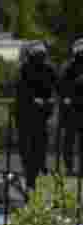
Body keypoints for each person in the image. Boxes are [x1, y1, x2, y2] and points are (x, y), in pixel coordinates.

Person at [15, 41, 58, 191]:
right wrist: (33, 100)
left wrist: (52, 99)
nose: (41, 58)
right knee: (27, 148)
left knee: (40, 145)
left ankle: (38, 170)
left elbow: (56, 86)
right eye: (37, 55)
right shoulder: (24, 69)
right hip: (25, 116)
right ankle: (30, 180)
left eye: (42, 55)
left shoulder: (49, 69)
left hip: (42, 115)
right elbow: (21, 90)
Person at [60, 38, 83, 175]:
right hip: (71, 110)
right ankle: (69, 168)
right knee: (69, 140)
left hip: (79, 108)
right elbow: (62, 87)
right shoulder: (68, 66)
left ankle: (79, 168)